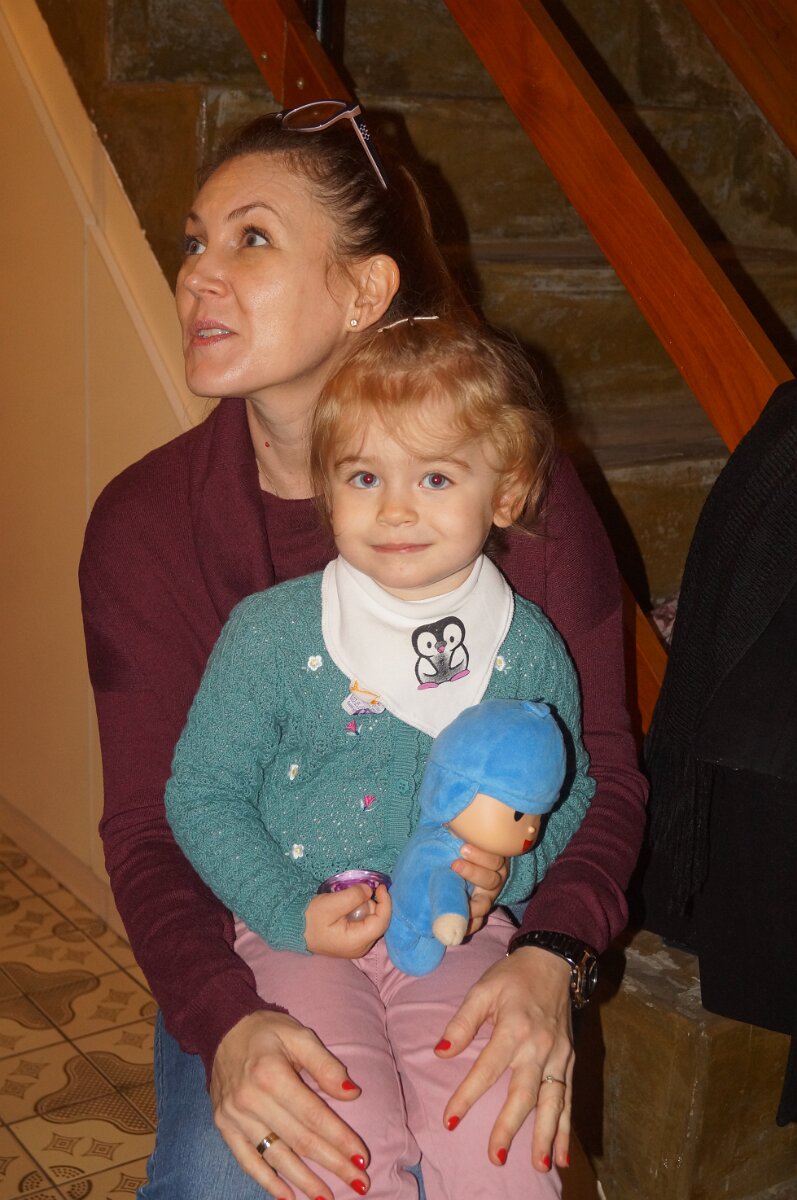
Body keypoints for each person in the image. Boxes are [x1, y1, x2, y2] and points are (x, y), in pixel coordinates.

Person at [78, 104, 647, 1200]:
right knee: (243, 1175)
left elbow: (601, 771)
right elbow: (154, 822)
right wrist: (226, 1022)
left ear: (364, 289)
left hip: (475, 931)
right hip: (251, 933)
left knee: (489, 1153)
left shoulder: (514, 500)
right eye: (194, 241)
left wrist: (550, 954)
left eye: (250, 238)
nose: (196, 276)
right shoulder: (144, 527)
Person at [162, 318, 596, 1198]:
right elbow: (201, 792)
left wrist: (505, 875)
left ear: (506, 491)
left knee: (497, 1129)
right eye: (364, 476)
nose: (395, 509)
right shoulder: (270, 635)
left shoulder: (523, 647)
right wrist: (286, 911)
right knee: (338, 1135)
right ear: (325, 488)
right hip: (300, 932)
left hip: (455, 928)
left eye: (434, 477)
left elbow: (572, 787)